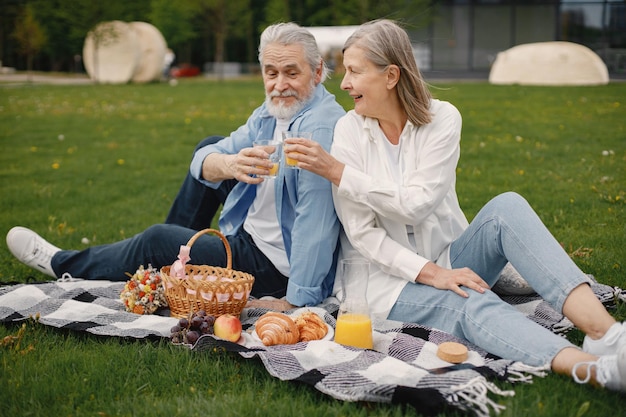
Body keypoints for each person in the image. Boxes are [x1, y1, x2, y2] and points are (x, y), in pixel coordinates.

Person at [283, 19, 625, 392]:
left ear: (391, 76)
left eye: (354, 71)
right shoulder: (349, 130)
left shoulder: (442, 118)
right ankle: (589, 368)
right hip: (385, 286)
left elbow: (416, 204)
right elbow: (363, 235)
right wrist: (433, 274)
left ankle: (606, 334)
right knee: (469, 301)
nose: (345, 83)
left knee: (506, 208)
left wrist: (339, 172)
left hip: (450, 254)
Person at [6, 22, 346, 310]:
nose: (279, 84)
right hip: (253, 232)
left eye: (291, 72)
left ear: (317, 73)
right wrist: (230, 163)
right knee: (208, 147)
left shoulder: (317, 131)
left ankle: (64, 264)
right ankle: (170, 273)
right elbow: (203, 161)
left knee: (157, 238)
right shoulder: (273, 110)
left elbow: (315, 226)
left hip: (271, 265)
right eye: (271, 73)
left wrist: (296, 301)